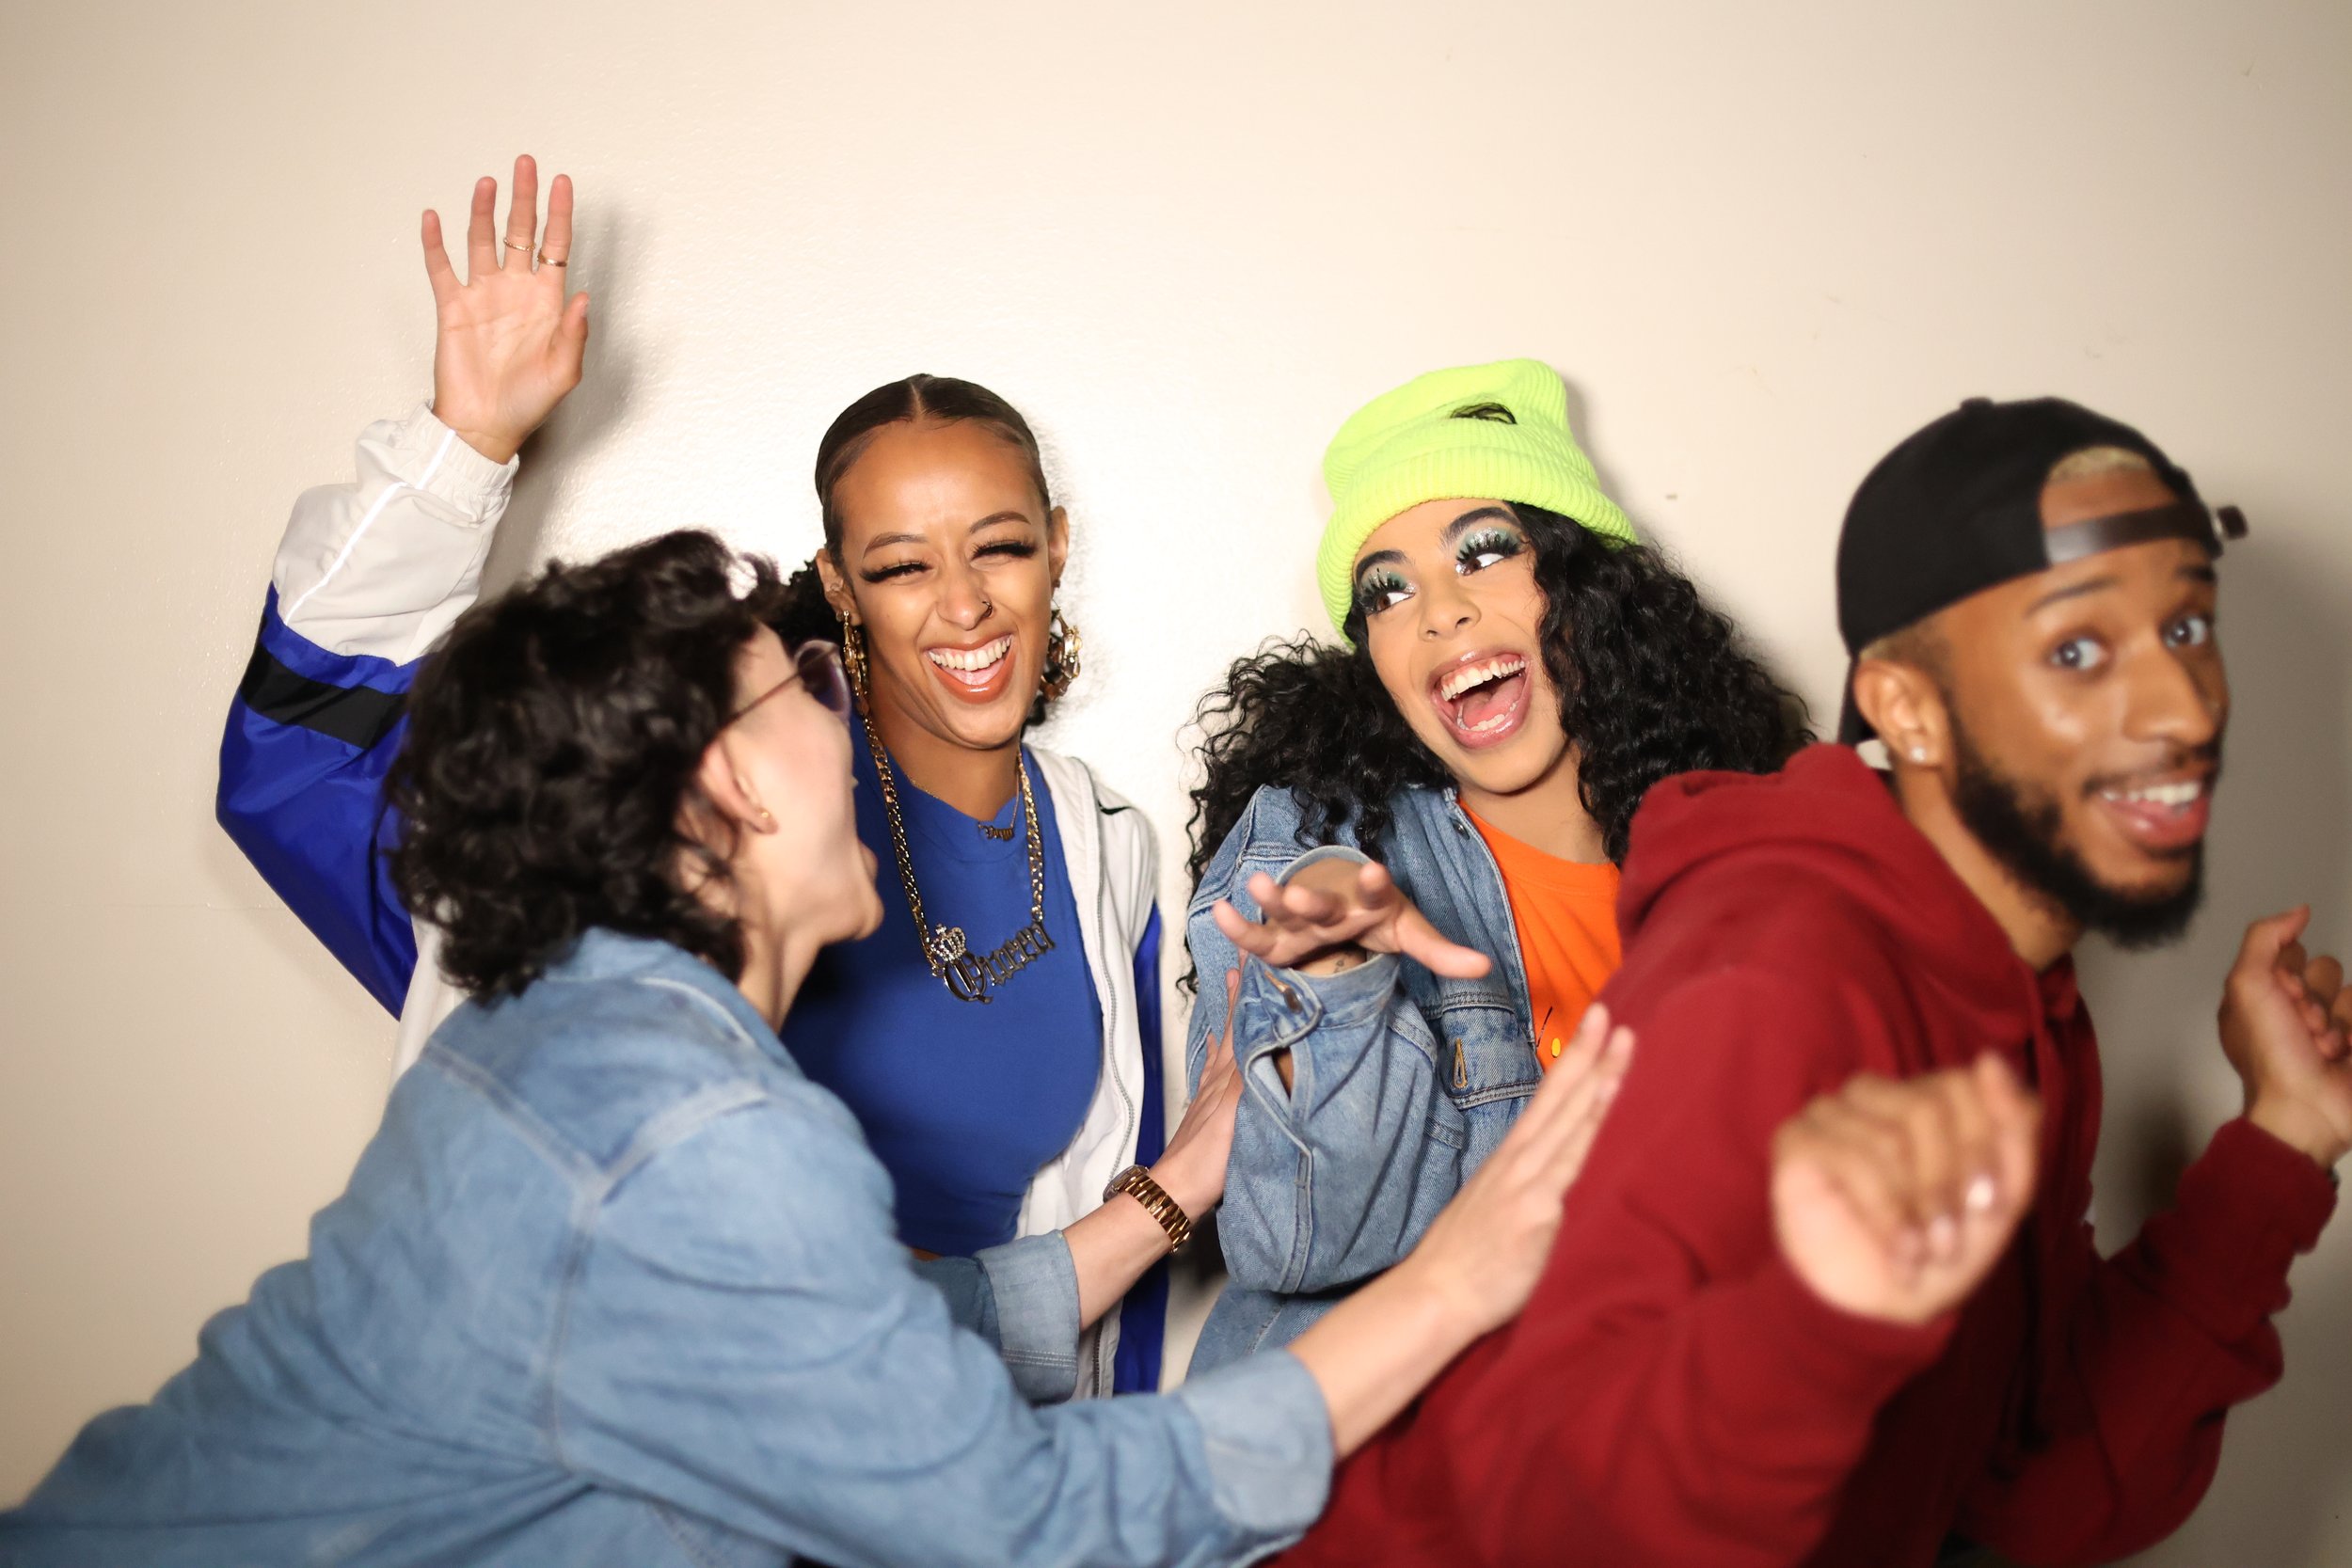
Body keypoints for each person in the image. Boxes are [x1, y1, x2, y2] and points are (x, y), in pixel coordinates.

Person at [1, 530, 1637, 1566]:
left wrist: (1179, 1177)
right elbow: (1019, 1526)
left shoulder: (576, 1037)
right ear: (722, 789)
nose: (848, 713)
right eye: (800, 682)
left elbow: (878, 1333)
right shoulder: (689, 1124)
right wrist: (1456, 1284)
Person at [1262, 396, 2351, 1567]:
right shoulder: (1781, 968)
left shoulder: (2018, 993)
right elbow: (1572, 1501)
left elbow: (2021, 1482)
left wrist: (2283, 1141)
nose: (2180, 710)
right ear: (1905, 707)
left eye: (2186, 628)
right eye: (2077, 649)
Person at [217, 156, 1186, 1391]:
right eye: (900, 564)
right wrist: (464, 446)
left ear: (1058, 545)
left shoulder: (1110, 852)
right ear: (838, 586)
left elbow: (1117, 1283)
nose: (963, 601)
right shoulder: (710, 804)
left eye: (1000, 544)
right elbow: (301, 766)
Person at [1181, 357, 1804, 1366]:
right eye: (1385, 591)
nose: (1435, 611)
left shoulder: (1744, 869)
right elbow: (1305, 1239)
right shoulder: (1312, 842)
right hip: (1380, 1487)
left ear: (1588, 585)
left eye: (1481, 552)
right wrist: (1334, 968)